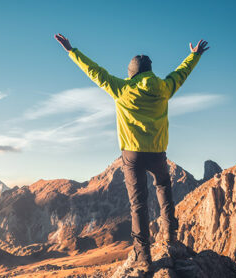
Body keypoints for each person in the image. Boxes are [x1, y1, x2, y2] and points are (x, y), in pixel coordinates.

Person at [54, 33, 209, 272]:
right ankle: (170, 237)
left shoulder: (122, 89)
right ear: (149, 71)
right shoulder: (164, 88)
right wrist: (194, 55)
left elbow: (95, 72)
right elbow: (181, 74)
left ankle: (143, 254)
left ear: (132, 73)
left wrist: (72, 51)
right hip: (158, 152)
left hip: (132, 155)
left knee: (138, 204)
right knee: (164, 191)